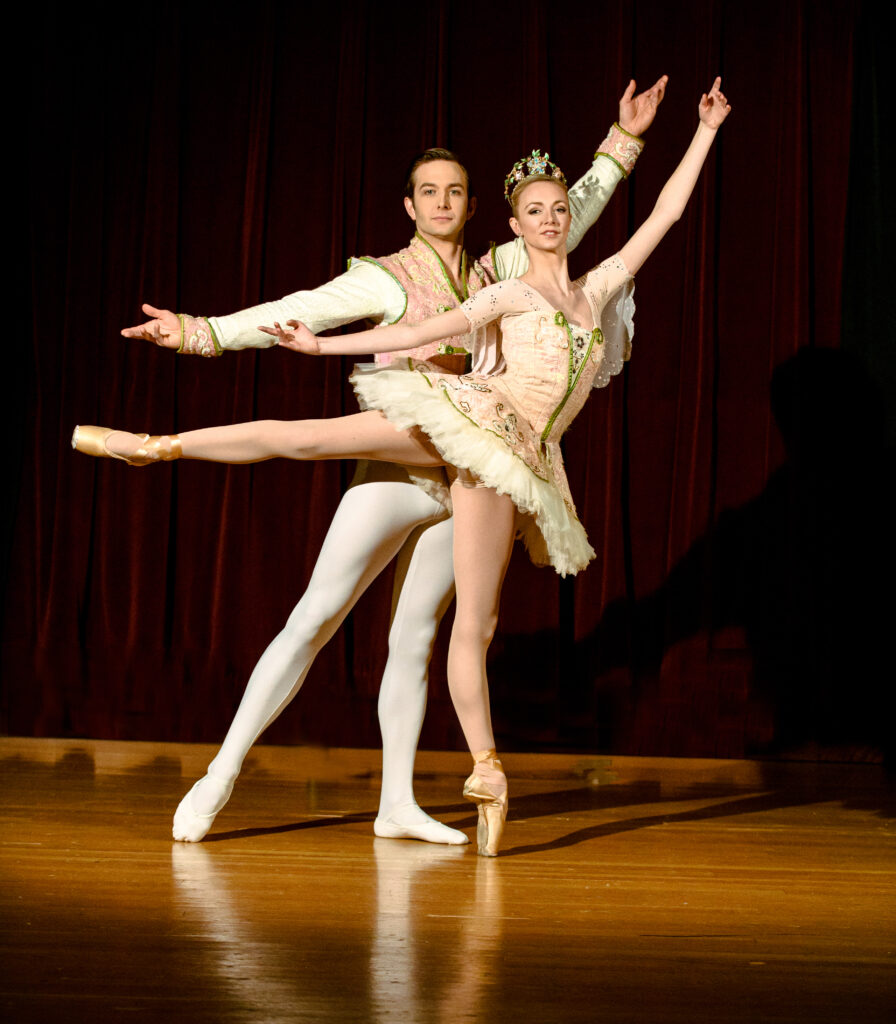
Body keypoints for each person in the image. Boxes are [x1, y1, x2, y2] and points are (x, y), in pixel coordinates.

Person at [75, 79, 728, 855]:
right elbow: (300, 310)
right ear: (410, 207)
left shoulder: (501, 269)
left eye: (456, 190)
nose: (443, 202)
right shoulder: (384, 277)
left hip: (482, 473)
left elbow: (573, 212)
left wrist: (626, 142)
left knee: (418, 635)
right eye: (429, 192)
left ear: (477, 205)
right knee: (317, 614)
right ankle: (221, 771)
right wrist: (199, 333)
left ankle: (396, 802)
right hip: (405, 460)